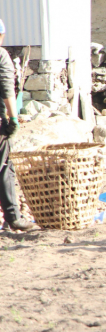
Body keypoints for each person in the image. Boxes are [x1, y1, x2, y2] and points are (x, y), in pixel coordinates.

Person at [0, 19, 34, 232]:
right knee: (4, 167)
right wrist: (13, 119)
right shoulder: (1, 55)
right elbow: (7, 91)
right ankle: (13, 218)